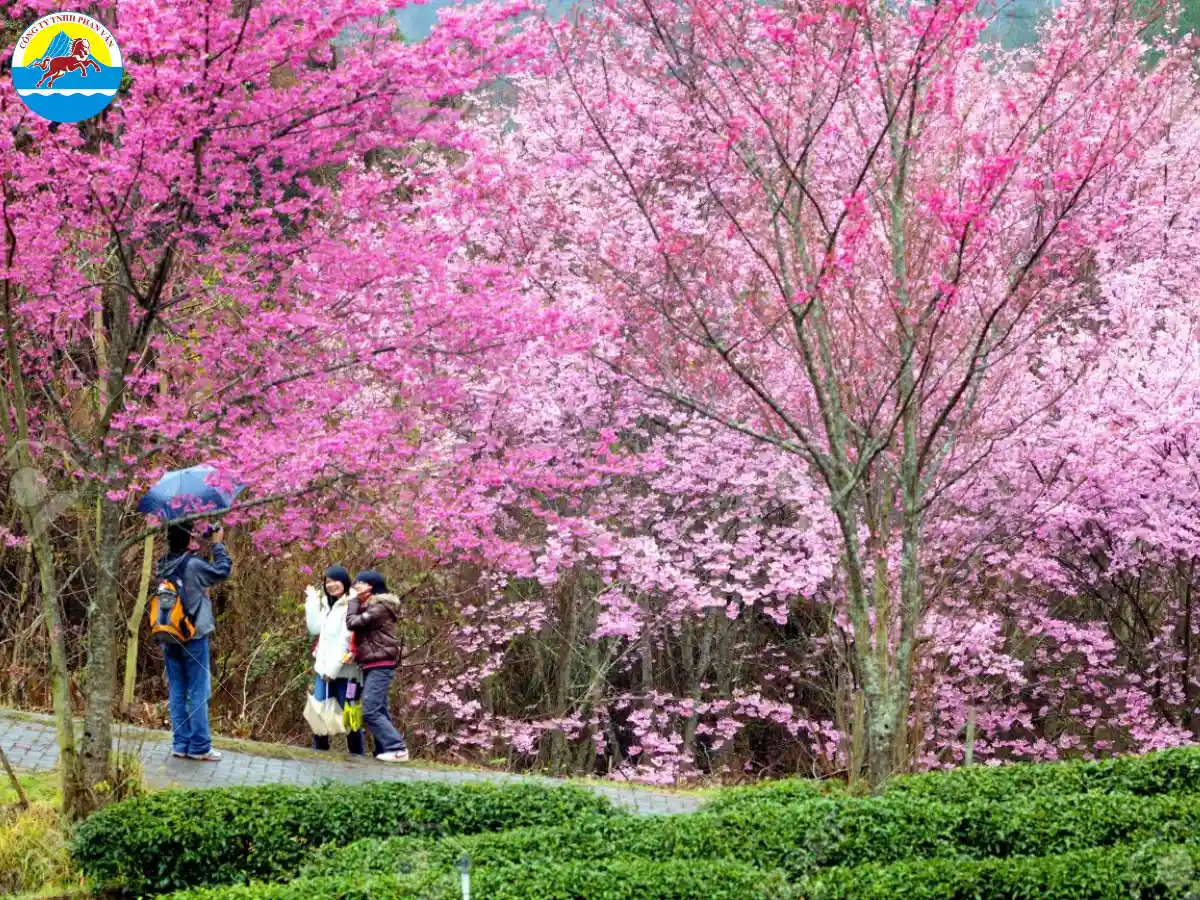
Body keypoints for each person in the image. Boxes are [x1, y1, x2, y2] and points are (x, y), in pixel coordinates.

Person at [159, 520, 232, 762]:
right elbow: (222, 571)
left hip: (169, 635)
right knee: (198, 691)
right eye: (193, 535)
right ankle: (200, 746)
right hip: (193, 635)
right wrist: (218, 545)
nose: (197, 538)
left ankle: (180, 743)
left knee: (178, 690)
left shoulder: (164, 563)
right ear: (188, 540)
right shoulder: (192, 565)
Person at [346, 570, 408, 762]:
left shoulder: (379, 607)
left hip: (380, 663)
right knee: (379, 708)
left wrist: (353, 602)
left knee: (370, 710)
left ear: (371, 586)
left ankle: (397, 748)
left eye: (360, 583)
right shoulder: (373, 606)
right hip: (372, 663)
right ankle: (389, 749)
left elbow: (352, 623)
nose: (356, 586)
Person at [305, 565, 364, 755]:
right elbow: (315, 628)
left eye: (335, 580)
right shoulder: (330, 606)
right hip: (323, 670)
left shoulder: (351, 605)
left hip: (345, 672)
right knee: (318, 710)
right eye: (327, 581)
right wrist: (312, 601)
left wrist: (332, 671)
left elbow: (345, 641)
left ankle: (357, 755)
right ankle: (319, 751)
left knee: (349, 714)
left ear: (345, 582)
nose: (331, 585)